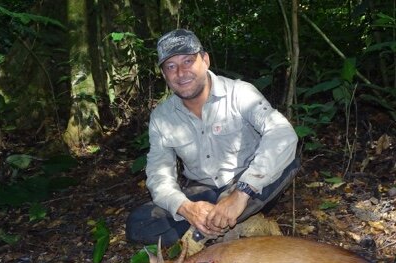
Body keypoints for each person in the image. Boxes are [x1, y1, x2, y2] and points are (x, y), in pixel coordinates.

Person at [126, 29, 299, 249]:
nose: (181, 72)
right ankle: (235, 226)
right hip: (206, 191)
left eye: (188, 61)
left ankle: (212, 228)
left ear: (205, 60)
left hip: (251, 186)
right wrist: (186, 208)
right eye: (171, 66)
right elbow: (158, 174)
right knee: (139, 224)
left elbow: (282, 133)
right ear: (164, 74)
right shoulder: (162, 117)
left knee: (287, 156)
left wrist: (240, 194)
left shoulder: (240, 93)